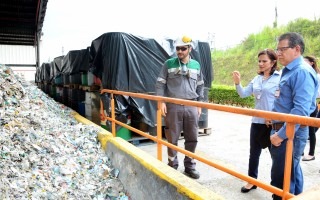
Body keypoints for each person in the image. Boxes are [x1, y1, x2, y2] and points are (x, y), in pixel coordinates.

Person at [270, 32, 319, 200]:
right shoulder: (289, 70)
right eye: (278, 50)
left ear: (297, 49)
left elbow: (300, 111)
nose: (278, 53)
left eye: (282, 49)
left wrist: (280, 135)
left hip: (290, 133)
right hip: (284, 130)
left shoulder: (302, 72)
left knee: (282, 180)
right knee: (292, 173)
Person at [232, 49, 281, 193]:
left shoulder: (280, 78)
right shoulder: (256, 78)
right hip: (257, 122)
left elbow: (283, 101)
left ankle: (277, 186)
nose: (261, 63)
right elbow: (243, 94)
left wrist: (274, 116)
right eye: (259, 61)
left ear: (273, 62)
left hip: (273, 124)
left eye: (264, 61)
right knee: (254, 153)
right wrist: (237, 83)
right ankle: (251, 181)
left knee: (276, 156)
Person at [155, 35, 204, 179]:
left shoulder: (196, 65)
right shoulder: (168, 64)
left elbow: (201, 85)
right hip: (173, 106)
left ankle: (190, 166)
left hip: (191, 106)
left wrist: (199, 104)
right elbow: (160, 83)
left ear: (190, 49)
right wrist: (161, 102)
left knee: (192, 138)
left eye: (183, 48)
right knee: (172, 138)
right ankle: (172, 166)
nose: (180, 51)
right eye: (178, 48)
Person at [302, 55, 320, 161]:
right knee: (301, 129)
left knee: (310, 131)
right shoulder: (305, 73)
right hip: (305, 105)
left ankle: (311, 153)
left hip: (311, 106)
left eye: (305, 61)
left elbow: (316, 93)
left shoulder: (316, 76)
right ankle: (301, 151)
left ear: (312, 63)